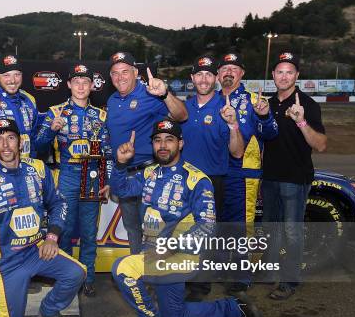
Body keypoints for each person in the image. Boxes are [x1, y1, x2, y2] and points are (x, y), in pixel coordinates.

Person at [110, 120, 265, 317]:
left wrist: (170, 248)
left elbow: (207, 225)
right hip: (156, 254)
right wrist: (120, 164)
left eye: (169, 140)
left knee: (123, 269)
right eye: (158, 140)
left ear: (180, 144)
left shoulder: (196, 179)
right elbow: (121, 189)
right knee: (176, 315)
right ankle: (235, 308)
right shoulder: (149, 173)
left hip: (181, 256)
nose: (163, 145)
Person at [0, 119, 86, 317]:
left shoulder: (37, 169)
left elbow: (58, 203)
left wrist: (52, 237)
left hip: (36, 250)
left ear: (20, 142)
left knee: (76, 273)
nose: (5, 145)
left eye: (11, 138)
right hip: (5, 261)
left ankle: (48, 311)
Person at [35, 64, 111, 297]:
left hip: (92, 177)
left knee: (89, 233)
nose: (80, 86)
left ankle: (87, 278)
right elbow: (38, 147)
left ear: (92, 86)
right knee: (63, 231)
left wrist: (107, 180)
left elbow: (106, 152)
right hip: (66, 175)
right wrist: (51, 131)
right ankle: (66, 277)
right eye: (76, 81)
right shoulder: (55, 112)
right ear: (68, 85)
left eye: (85, 82)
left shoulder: (101, 116)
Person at [106, 51, 188, 255]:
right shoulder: (112, 100)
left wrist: (164, 93)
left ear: (135, 72)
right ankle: (138, 273)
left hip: (150, 172)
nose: (120, 77)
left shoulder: (149, 93)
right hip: (125, 173)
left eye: (125, 72)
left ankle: (159, 277)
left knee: (155, 230)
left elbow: (182, 115)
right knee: (132, 228)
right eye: (115, 73)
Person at [263, 51, 327, 300]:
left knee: (292, 232)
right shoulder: (267, 104)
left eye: (290, 72)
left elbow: (320, 144)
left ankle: (290, 281)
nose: (284, 76)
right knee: (271, 229)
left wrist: (301, 122)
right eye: (280, 71)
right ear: (273, 75)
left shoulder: (308, 105)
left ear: (297, 75)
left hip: (295, 179)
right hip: (269, 177)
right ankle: (269, 272)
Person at [217, 52, 278, 224]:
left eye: (234, 68)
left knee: (240, 231)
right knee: (213, 227)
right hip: (212, 174)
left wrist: (265, 117)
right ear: (218, 74)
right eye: (224, 68)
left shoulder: (254, 101)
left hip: (241, 177)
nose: (229, 72)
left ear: (242, 73)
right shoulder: (210, 100)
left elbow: (272, 134)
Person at [181, 55, 244, 219]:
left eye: (208, 75)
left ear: (216, 77)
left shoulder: (226, 108)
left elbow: (237, 153)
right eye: (199, 74)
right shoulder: (183, 108)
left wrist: (233, 124)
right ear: (192, 78)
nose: (203, 80)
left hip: (212, 182)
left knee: (210, 237)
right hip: (184, 180)